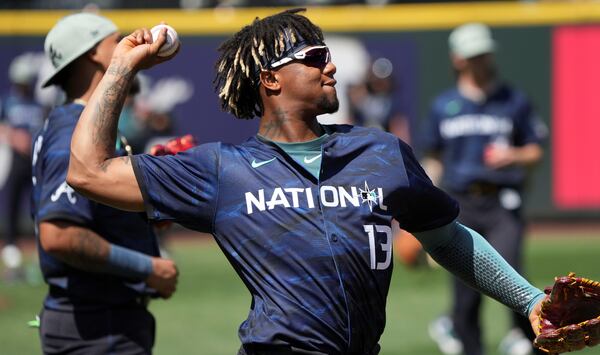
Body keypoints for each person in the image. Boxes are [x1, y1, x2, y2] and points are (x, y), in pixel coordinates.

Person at [66, 9, 551, 355]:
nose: (331, 65)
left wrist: (528, 299)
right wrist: (121, 69)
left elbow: (449, 240)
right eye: (315, 56)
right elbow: (88, 172)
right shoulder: (221, 170)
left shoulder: (381, 153)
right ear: (270, 80)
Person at [32, 12, 178, 354]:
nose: (127, 42)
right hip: (95, 327)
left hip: (98, 322)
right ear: (93, 55)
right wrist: (147, 268)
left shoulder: (78, 125)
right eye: (115, 40)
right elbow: (59, 234)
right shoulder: (72, 130)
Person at [421, 23, 547, 355]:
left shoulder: (513, 101)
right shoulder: (444, 106)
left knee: (511, 272)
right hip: (460, 203)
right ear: (458, 59)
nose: (482, 60)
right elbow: (433, 159)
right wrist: (422, 209)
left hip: (502, 201)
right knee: (466, 292)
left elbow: (536, 150)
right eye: (474, 55)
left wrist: (514, 155)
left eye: (485, 53)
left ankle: (529, 340)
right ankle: (466, 342)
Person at [0, 53, 46, 281]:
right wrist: (12, 136)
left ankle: (44, 257)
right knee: (11, 206)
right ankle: (12, 258)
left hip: (35, 162)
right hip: (14, 161)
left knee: (39, 206)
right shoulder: (8, 102)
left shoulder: (38, 104)